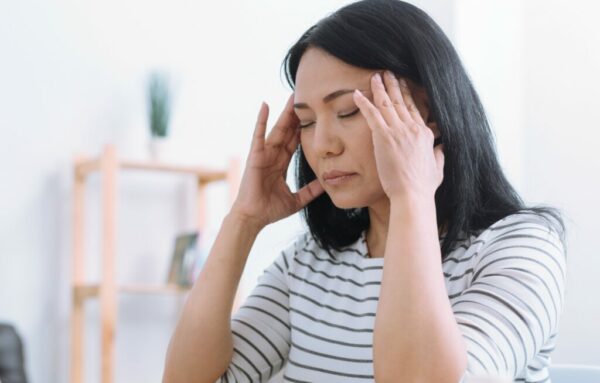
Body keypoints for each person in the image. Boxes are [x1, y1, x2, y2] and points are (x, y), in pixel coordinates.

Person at [162, 0, 567, 382]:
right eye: (305, 122)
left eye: (348, 112)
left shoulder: (521, 247)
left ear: (427, 113)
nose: (322, 145)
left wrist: (411, 196)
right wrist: (243, 220)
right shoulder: (307, 263)